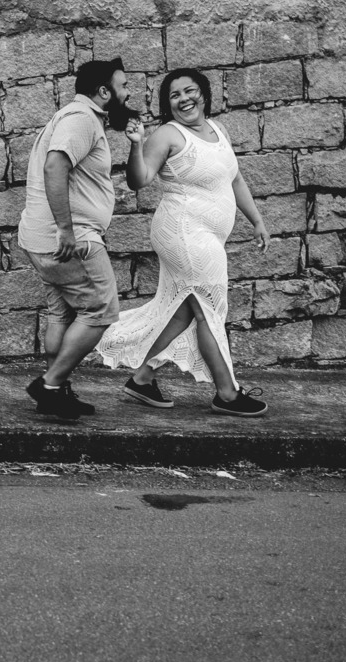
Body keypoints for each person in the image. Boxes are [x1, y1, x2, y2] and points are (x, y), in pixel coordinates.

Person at [96, 68, 270, 417]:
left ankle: (142, 378)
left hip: (206, 234)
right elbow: (139, 180)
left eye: (190, 91)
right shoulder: (168, 135)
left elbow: (234, 179)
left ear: (204, 94)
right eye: (175, 95)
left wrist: (257, 220)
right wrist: (136, 145)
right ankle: (227, 393)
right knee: (208, 306)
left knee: (187, 308)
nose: (184, 99)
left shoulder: (218, 130)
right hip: (183, 231)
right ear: (168, 104)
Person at [17, 58, 138, 420]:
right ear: (104, 92)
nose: (128, 93)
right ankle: (50, 385)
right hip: (72, 241)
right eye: (123, 86)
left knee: (62, 314)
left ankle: (57, 393)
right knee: (101, 310)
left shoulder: (71, 116)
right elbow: (56, 165)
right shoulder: (81, 118)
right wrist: (66, 229)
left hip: (41, 240)